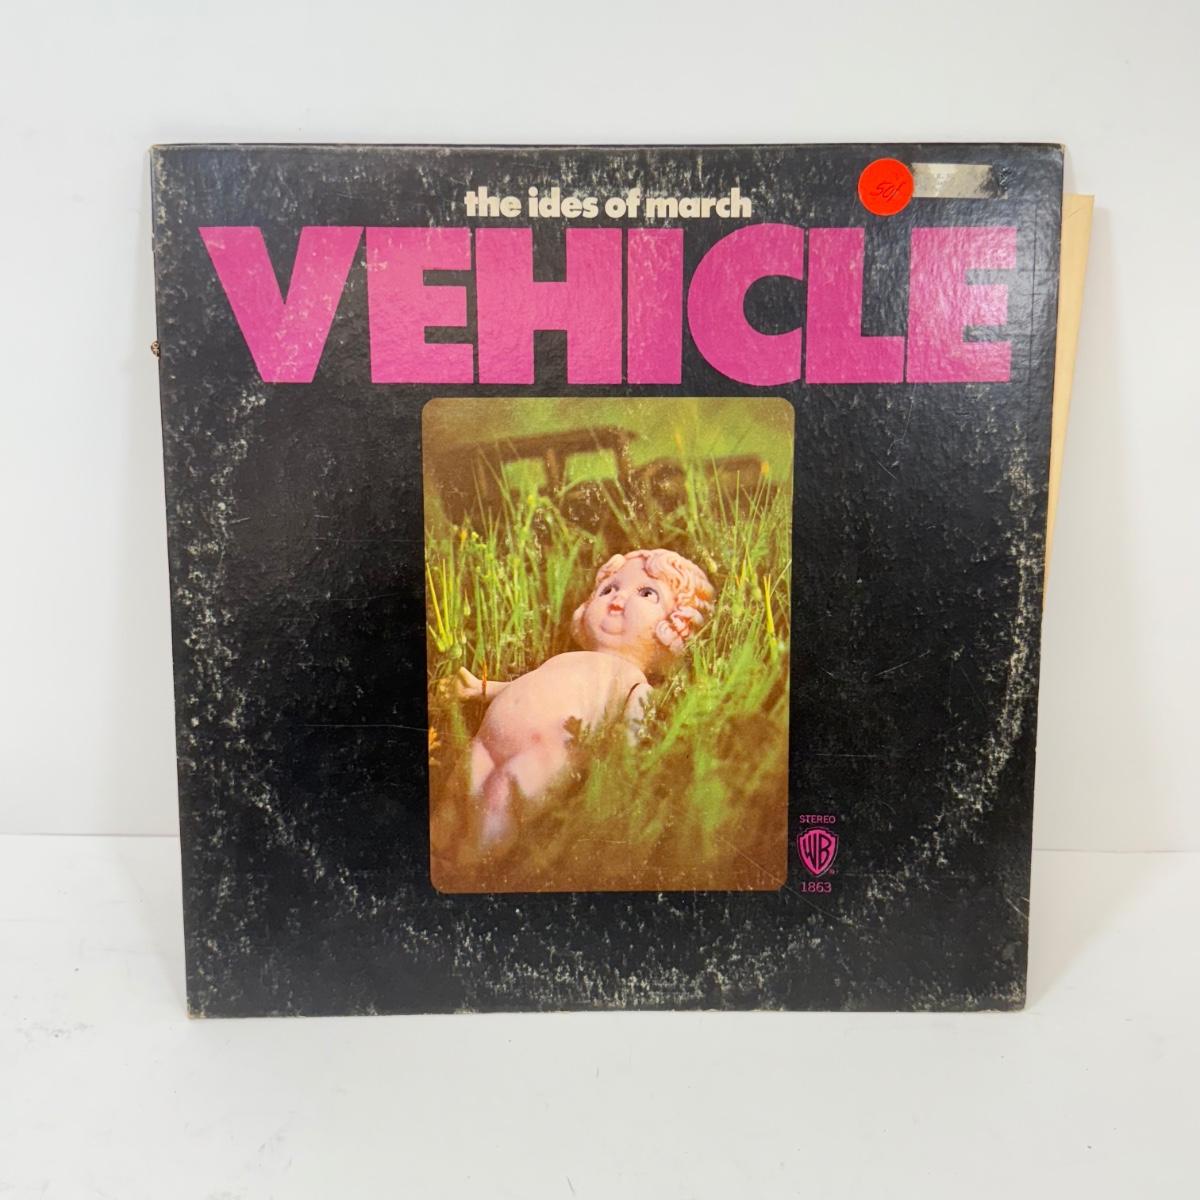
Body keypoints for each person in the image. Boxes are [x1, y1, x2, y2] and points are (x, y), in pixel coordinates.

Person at [451, 547, 714, 853]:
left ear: (677, 624)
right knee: (455, 799)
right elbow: (529, 685)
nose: (618, 598)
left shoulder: (631, 680)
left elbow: (635, 731)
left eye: (646, 593)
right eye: (609, 588)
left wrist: (624, 768)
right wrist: (482, 688)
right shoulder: (567, 658)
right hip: (486, 740)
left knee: (502, 800)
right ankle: (442, 856)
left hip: (548, 750)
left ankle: (476, 864)